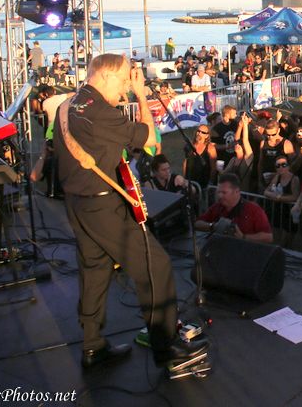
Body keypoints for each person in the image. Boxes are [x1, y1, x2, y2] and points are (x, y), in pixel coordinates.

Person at [52, 53, 207, 369]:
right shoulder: (99, 112)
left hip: (78, 204)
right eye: (123, 81)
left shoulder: (69, 106)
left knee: (94, 270)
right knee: (155, 265)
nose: (124, 89)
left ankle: (92, 345)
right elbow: (150, 137)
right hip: (103, 206)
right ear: (106, 75)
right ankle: (166, 346)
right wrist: (141, 94)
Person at [195, 173, 273, 243]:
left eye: (224, 192)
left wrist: (243, 237)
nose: (220, 196)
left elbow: (268, 237)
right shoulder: (217, 207)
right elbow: (197, 223)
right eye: (218, 192)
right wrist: (213, 226)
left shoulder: (254, 210)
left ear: (236, 192)